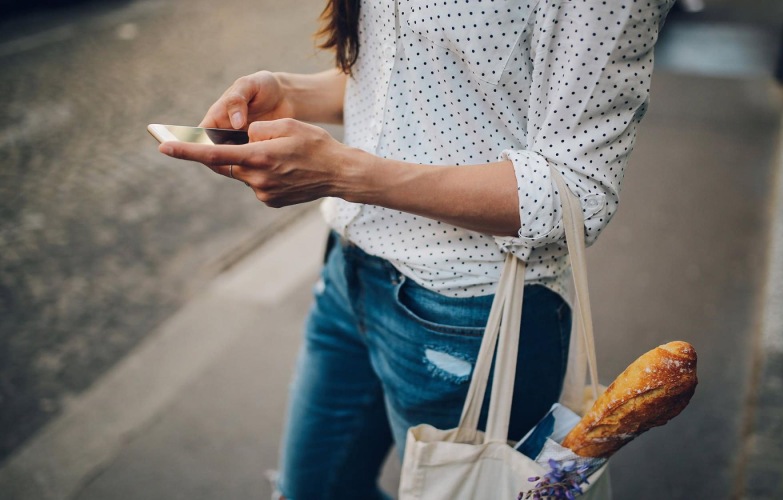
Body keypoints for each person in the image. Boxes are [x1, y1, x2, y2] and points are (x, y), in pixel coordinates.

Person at [158, 0, 675, 498]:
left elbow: (578, 191)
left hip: (471, 314)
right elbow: (413, 76)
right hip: (348, 274)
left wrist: (342, 172)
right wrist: (289, 92)